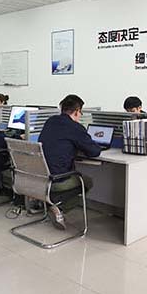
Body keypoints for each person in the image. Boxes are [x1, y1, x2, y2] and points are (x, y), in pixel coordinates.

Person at [38, 94, 101, 230]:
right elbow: (94, 151)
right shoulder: (75, 127)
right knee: (88, 181)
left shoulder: (50, 121)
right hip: (57, 180)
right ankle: (59, 209)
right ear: (77, 111)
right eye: (80, 112)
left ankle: (53, 206)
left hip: (40, 177)